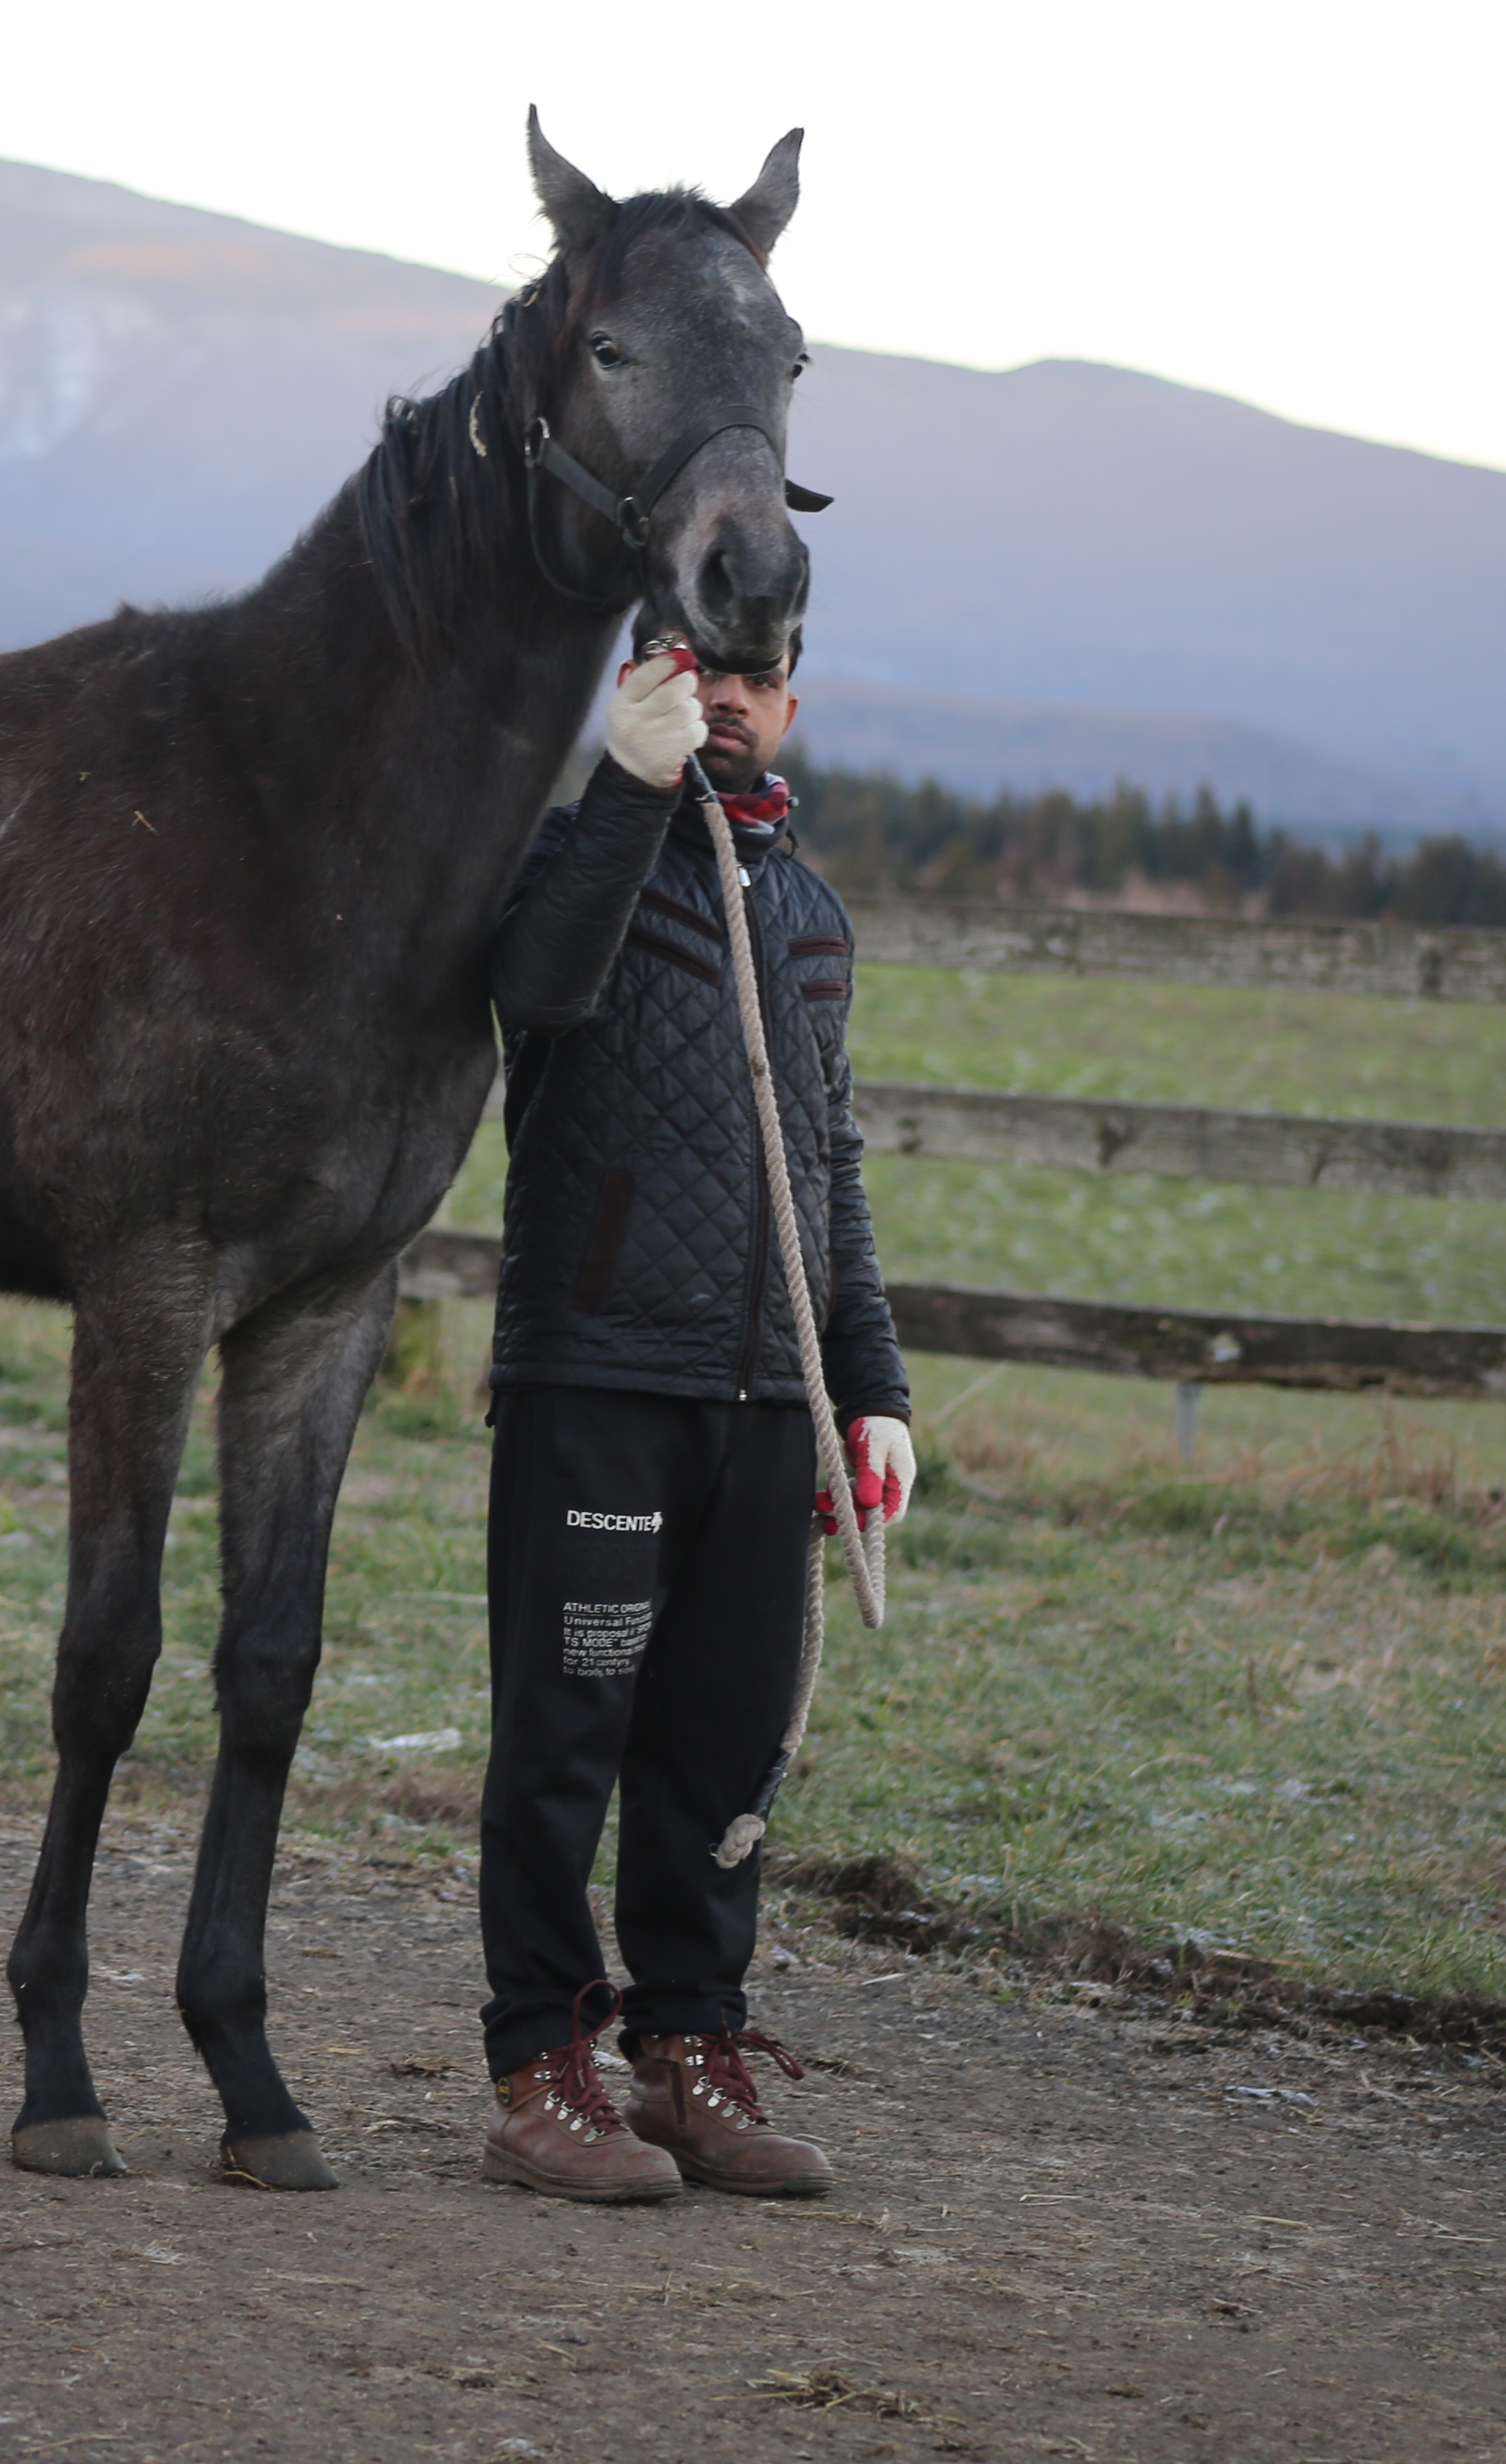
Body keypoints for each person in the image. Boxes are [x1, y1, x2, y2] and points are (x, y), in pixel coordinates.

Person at [470, 633, 917, 2203]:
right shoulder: (577, 850)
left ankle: (688, 2054)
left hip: (765, 1406)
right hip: (596, 1377)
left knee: (722, 1752)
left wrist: (872, 1392)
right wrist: (626, 789)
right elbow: (536, 991)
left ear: (790, 704)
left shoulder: (809, 908)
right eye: (698, 667)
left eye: (757, 676)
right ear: (650, 686)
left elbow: (829, 1170)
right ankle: (540, 2066)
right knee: (565, 1739)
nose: (727, 695)